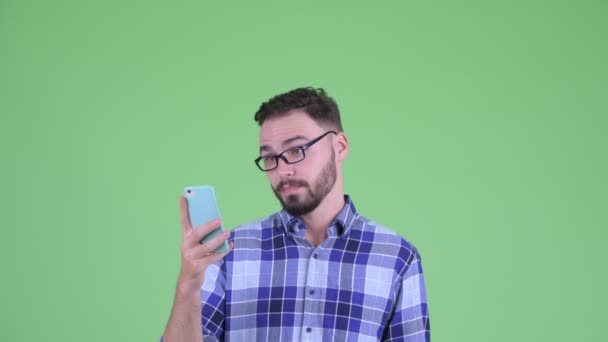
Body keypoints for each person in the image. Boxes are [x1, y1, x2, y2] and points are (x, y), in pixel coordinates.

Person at [162, 87, 430, 341]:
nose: (283, 171)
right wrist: (187, 286)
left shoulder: (397, 257)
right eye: (270, 158)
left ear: (340, 146)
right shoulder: (229, 252)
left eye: (296, 150)